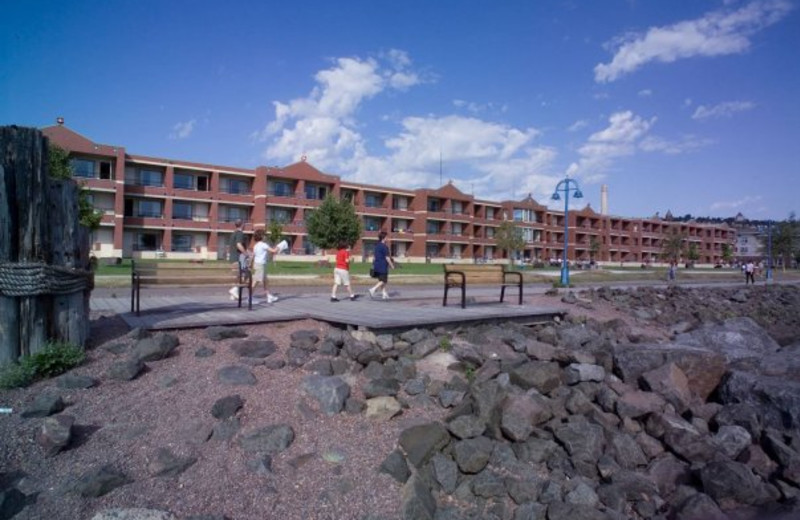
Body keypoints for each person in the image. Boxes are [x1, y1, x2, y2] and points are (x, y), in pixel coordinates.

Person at [252, 228, 279, 303]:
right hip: (260, 265)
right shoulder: (263, 245)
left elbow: (253, 256)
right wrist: (280, 246)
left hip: (259, 265)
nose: (265, 237)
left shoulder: (256, 245)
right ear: (261, 236)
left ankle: (269, 296)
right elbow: (273, 251)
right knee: (255, 282)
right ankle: (249, 298)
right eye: (264, 235)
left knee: (265, 281)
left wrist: (251, 265)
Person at [369, 231, 395, 300]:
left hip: (377, 265)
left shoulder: (377, 246)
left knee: (381, 280)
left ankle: (384, 294)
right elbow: (387, 258)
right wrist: (392, 265)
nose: (387, 238)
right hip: (382, 266)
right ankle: (373, 289)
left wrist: (373, 264)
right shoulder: (384, 247)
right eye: (386, 237)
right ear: (384, 238)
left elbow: (374, 257)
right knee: (383, 280)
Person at [228, 219, 247, 300]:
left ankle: (233, 295)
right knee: (243, 275)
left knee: (235, 276)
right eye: (244, 224)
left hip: (232, 257)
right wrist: (246, 253)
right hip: (237, 258)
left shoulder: (233, 234)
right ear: (242, 225)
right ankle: (234, 290)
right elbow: (239, 245)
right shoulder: (240, 233)